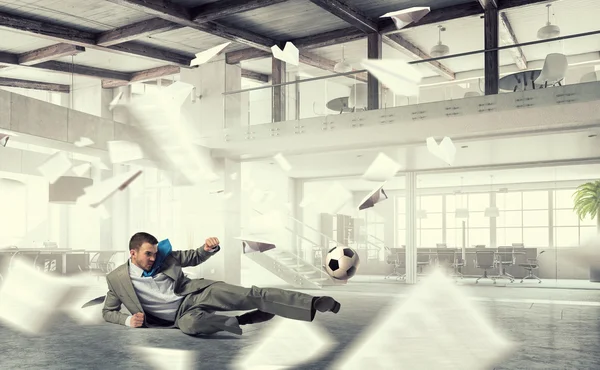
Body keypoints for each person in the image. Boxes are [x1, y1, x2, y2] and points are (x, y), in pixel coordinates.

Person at [102, 232, 341, 336]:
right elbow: (107, 311)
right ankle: (242, 320)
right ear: (133, 253)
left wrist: (207, 249)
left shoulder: (166, 256)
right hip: (178, 318)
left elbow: (193, 256)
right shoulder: (117, 279)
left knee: (250, 294)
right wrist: (126, 320)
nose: (154, 259)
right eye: (148, 255)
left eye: (155, 253)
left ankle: (313, 302)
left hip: (195, 295)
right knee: (192, 326)